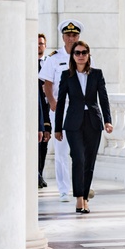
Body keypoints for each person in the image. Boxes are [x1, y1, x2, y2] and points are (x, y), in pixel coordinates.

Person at [54, 40, 113, 214]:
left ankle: (85, 197)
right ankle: (79, 198)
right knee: (78, 158)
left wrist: (107, 120)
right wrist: (57, 127)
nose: (81, 56)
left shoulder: (97, 74)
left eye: (84, 52)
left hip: (93, 122)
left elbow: (103, 98)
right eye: (77, 53)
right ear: (72, 56)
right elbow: (61, 102)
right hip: (73, 123)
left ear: (88, 55)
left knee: (89, 161)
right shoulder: (67, 76)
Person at [40, 20, 83, 202]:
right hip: (61, 110)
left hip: (80, 109)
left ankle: (81, 187)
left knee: (81, 150)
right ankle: (64, 189)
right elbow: (47, 83)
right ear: (63, 37)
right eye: (68, 35)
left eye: (74, 35)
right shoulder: (54, 58)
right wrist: (52, 103)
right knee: (61, 151)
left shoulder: (85, 55)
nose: (71, 38)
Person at [37, 33, 51, 188]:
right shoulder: (28, 63)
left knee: (44, 144)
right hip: (34, 108)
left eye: (41, 43)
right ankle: (35, 175)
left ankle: (40, 173)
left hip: (46, 108)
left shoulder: (48, 63)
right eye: (36, 43)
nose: (39, 46)